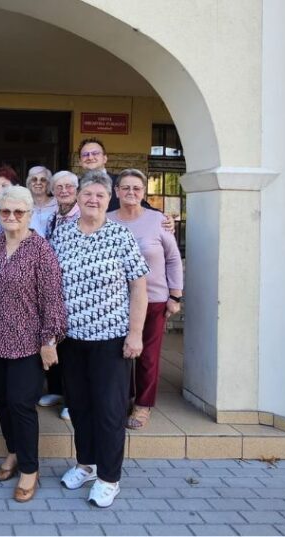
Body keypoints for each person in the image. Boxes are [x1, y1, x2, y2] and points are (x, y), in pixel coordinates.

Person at [50, 170, 149, 508]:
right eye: (87, 194)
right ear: (77, 198)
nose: (93, 200)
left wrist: (135, 334)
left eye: (100, 196)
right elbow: (50, 287)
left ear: (110, 200)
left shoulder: (121, 236)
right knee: (80, 406)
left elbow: (139, 287)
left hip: (111, 340)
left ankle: (109, 477)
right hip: (72, 339)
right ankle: (86, 464)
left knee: (109, 411)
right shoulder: (61, 235)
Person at [0, 186, 66, 503]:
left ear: (30, 214)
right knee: (2, 400)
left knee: (21, 403)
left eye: (19, 212)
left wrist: (49, 340)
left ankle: (30, 468)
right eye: (5, 211)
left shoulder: (41, 250)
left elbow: (53, 300)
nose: (12, 217)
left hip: (28, 341)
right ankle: (13, 452)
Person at [107, 169, 183, 430]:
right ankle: (121, 398)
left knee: (147, 355)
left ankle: (143, 405)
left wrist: (175, 295)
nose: (130, 192)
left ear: (143, 192)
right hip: (115, 301)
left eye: (136, 188)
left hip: (153, 299)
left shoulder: (158, 220)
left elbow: (173, 258)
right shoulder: (106, 220)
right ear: (116, 192)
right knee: (118, 354)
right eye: (125, 188)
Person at [39, 170, 81, 420]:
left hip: (75, 291)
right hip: (53, 289)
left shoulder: (83, 216)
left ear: (76, 190)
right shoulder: (53, 218)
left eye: (69, 187)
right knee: (54, 339)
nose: (63, 191)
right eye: (59, 187)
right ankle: (56, 390)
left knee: (73, 347)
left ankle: (72, 399)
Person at [26, 166, 58, 237]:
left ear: (48, 184)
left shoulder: (57, 204)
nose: (38, 182)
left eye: (43, 180)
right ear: (29, 183)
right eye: (34, 179)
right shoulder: (24, 205)